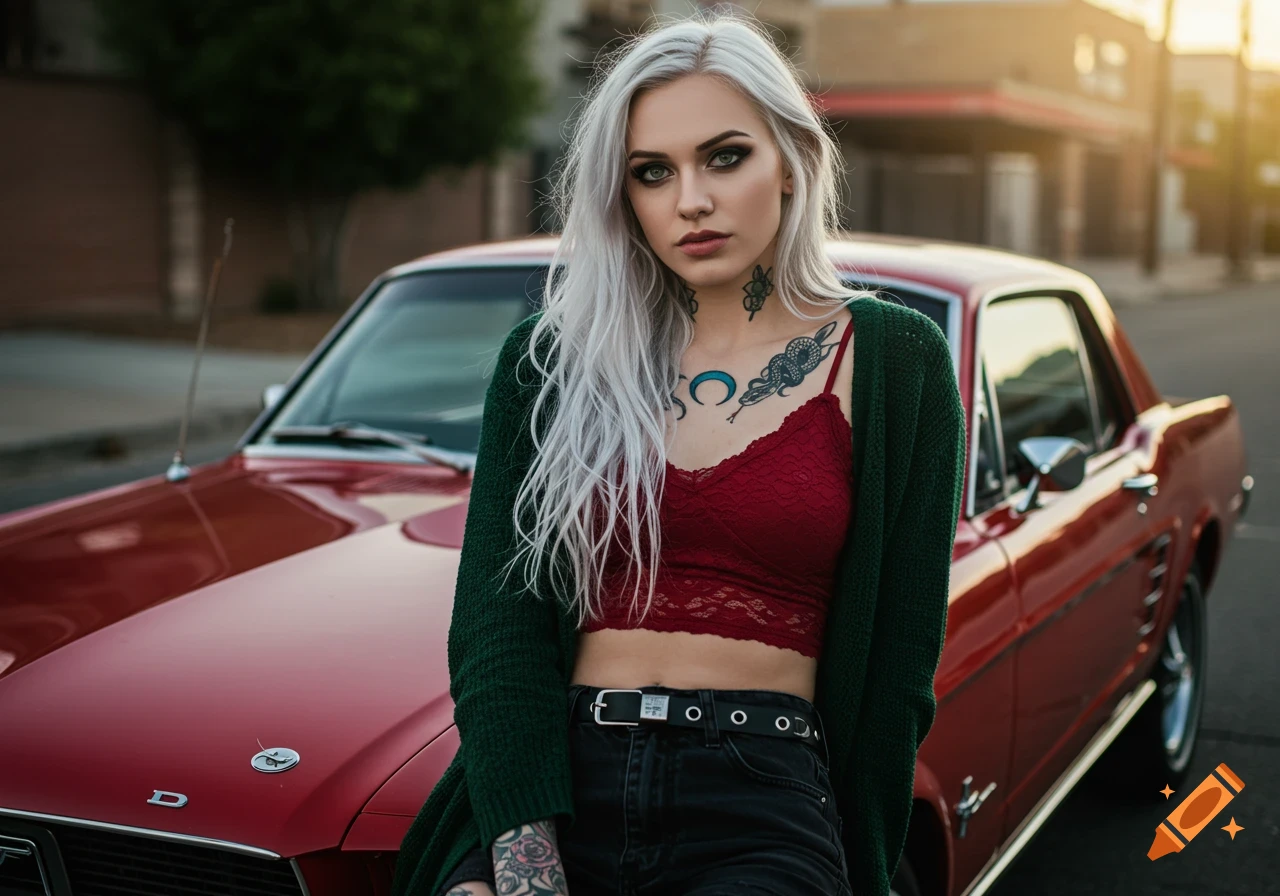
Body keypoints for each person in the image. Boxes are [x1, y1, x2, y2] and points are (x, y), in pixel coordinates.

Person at [391, 10, 967, 896]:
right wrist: (522, 861)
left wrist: (863, 858)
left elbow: (898, 672)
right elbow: (496, 628)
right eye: (652, 173)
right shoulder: (554, 360)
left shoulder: (896, 361)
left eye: (724, 156)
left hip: (762, 796)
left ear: (792, 160)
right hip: (558, 784)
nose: (689, 200)